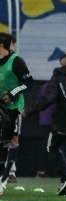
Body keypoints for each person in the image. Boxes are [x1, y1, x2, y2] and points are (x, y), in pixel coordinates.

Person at [22, 54, 66, 196]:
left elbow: (48, 99)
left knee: (51, 147)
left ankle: (65, 178)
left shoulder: (57, 77)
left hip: (62, 123)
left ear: (61, 64)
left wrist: (29, 111)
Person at [0, 33, 34, 192]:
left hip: (12, 108)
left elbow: (28, 82)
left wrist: (13, 92)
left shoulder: (16, 61)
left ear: (1, 45)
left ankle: (5, 177)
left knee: (11, 140)